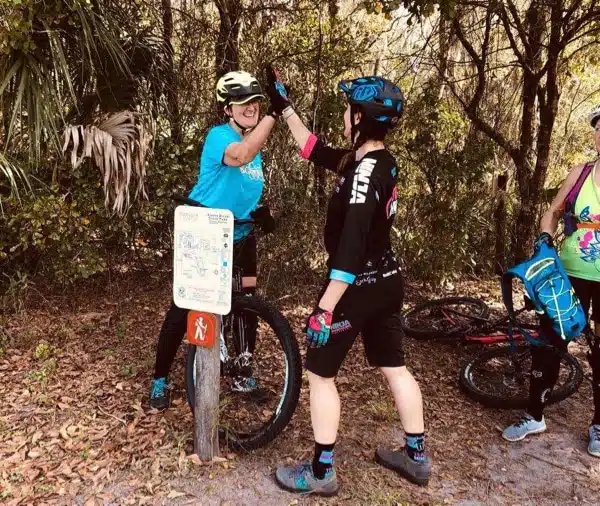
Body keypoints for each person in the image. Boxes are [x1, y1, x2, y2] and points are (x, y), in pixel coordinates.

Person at [263, 68, 431, 495]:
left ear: (359, 117)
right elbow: (314, 150)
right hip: (387, 279)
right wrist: (285, 108)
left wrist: (325, 308)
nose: (343, 116)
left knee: (320, 375)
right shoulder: (376, 161)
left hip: (356, 286)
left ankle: (321, 473)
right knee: (395, 368)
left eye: (348, 110)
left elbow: (351, 248)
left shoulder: (363, 173)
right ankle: (416, 457)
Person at [149, 71, 277, 410]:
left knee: (247, 300)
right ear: (227, 109)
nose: (251, 107)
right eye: (242, 102)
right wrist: (275, 113)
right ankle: (159, 379)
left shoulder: (255, 144)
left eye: (255, 101)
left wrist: (259, 210)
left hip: (241, 233)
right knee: (185, 305)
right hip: (205, 231)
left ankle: (242, 372)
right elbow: (240, 156)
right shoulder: (219, 137)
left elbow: (241, 186)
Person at [502, 105, 600, 458]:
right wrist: (545, 237)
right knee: (549, 343)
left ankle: (599, 426)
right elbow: (552, 211)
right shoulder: (581, 173)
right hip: (569, 275)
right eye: (599, 128)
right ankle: (534, 415)